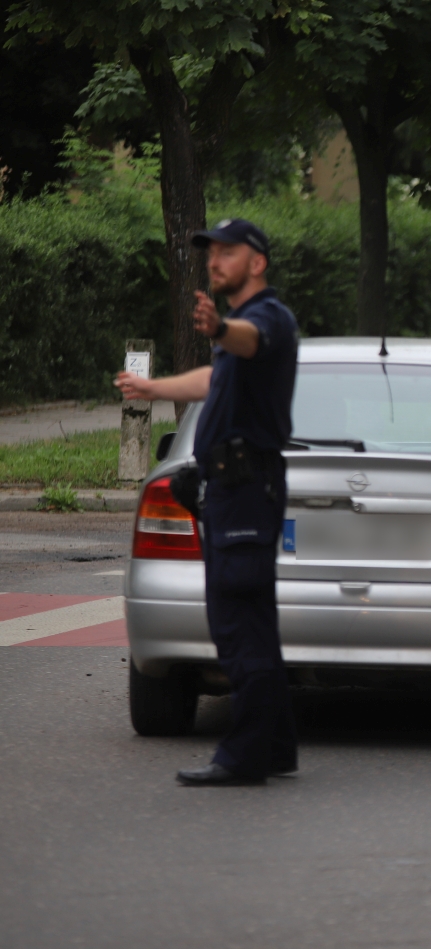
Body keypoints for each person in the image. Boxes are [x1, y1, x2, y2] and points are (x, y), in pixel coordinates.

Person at [115, 218, 300, 787]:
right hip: (234, 490)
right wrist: (151, 388)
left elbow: (244, 340)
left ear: (258, 262)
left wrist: (220, 326)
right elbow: (209, 380)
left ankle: (243, 757)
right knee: (253, 623)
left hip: (245, 490)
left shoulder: (266, 319)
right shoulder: (237, 339)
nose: (215, 261)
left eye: (228, 252)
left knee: (238, 623)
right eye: (211, 253)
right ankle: (274, 745)